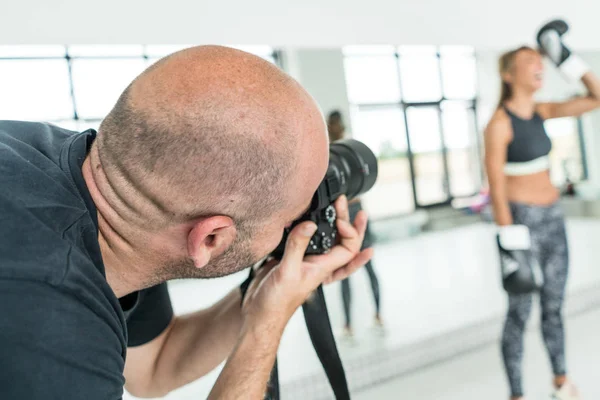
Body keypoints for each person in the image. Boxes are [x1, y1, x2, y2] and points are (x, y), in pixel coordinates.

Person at [0, 46, 373, 400]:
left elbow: (154, 367)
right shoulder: (47, 326)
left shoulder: (119, 194)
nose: (297, 223)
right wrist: (265, 328)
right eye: (290, 218)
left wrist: (272, 290)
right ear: (210, 238)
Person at [484, 21, 600, 400]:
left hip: (553, 219)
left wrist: (563, 56)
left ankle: (560, 382)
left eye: (541, 60)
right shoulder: (500, 124)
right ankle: (516, 393)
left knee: (554, 306)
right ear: (508, 73)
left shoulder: (541, 111)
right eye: (530, 59)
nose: (539, 66)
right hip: (521, 223)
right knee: (519, 313)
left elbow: (596, 97)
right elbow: (496, 187)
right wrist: (509, 242)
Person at [327, 110, 383, 341]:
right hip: (355, 210)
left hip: (347, 212)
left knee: (348, 268)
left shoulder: (331, 152)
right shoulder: (346, 151)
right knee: (364, 265)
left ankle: (351, 323)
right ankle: (375, 315)